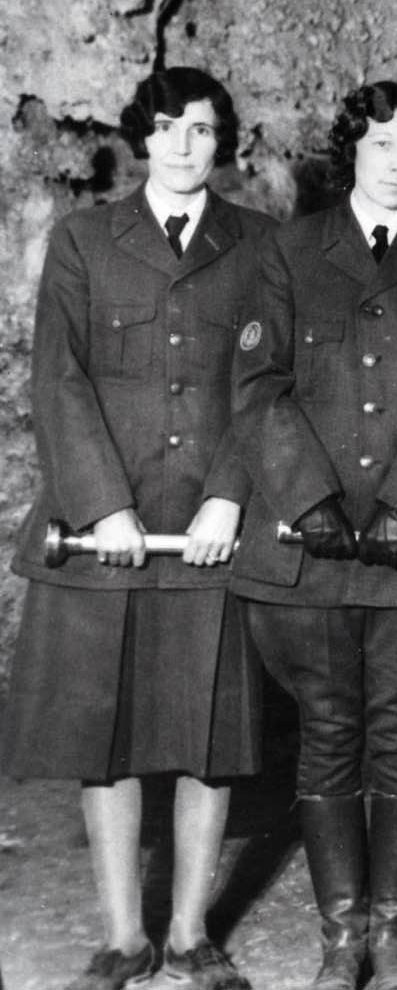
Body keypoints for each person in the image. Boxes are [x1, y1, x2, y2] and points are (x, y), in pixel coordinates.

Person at [2, 68, 270, 990]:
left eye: (202, 129)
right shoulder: (83, 240)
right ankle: (123, 937)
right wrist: (101, 504)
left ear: (222, 142)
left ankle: (193, 933)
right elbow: (59, 379)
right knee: (104, 734)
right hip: (105, 526)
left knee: (207, 733)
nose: (185, 145)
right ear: (140, 140)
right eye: (167, 129)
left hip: (208, 529)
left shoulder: (261, 246)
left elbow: (265, 389)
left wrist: (231, 496)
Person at [230, 81, 397, 990]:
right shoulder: (290, 251)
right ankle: (341, 937)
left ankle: (395, 931)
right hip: (308, 554)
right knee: (328, 732)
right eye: (385, 143)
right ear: (354, 149)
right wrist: (309, 501)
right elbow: (259, 386)